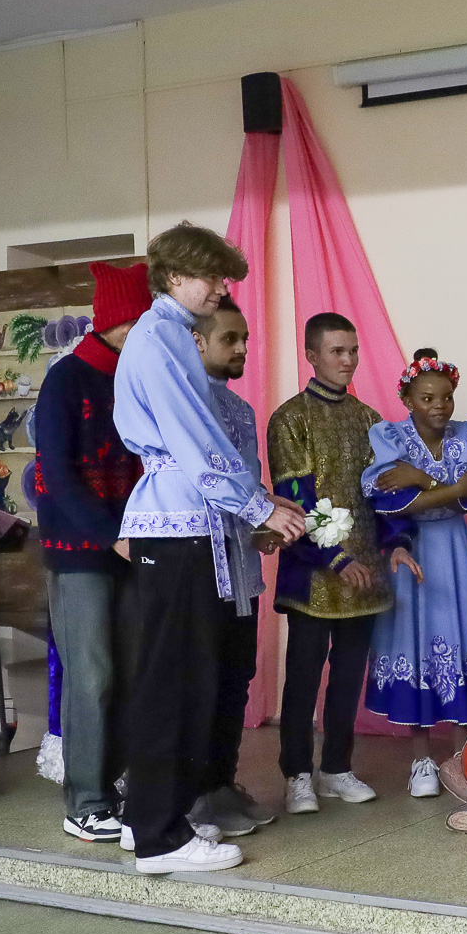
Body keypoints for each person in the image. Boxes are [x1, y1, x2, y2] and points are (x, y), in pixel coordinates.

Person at [114, 222, 307, 874]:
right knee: (172, 683)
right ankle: (160, 837)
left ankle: (151, 819)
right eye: (213, 277)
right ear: (174, 276)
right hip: (178, 523)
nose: (221, 288)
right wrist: (258, 506)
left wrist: (259, 503)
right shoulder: (160, 338)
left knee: (183, 681)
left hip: (189, 520)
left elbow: (206, 444)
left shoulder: (165, 334)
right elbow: (196, 441)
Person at [34, 260, 149, 843]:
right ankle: (84, 801)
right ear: (115, 321)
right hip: (80, 550)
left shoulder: (134, 377)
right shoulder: (66, 379)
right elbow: (56, 474)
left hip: (128, 547)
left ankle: (111, 789)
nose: (146, 330)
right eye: (139, 320)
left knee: (126, 670)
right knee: (92, 674)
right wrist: (111, 534)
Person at [268, 312, 390, 814]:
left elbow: (383, 497)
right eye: (337, 351)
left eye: (353, 350)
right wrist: (337, 559)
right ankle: (297, 774)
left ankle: (337, 768)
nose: (348, 360)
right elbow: (295, 499)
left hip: (365, 574)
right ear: (312, 356)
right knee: (303, 676)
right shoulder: (290, 419)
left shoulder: (369, 419)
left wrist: (395, 544)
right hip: (312, 573)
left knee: (348, 676)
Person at [362, 349, 467, 797]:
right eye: (427, 398)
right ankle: (421, 758)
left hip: (455, 549)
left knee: (460, 640)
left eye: (446, 397)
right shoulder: (391, 439)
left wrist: (422, 481)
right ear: (407, 400)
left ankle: (462, 753)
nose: (439, 406)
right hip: (411, 551)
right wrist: (451, 489)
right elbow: (389, 504)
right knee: (414, 643)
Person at [186, 298, 275, 837]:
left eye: (245, 338)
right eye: (229, 339)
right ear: (196, 342)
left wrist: (265, 521)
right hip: (198, 562)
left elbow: (248, 483)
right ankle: (191, 795)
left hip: (240, 567)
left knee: (235, 678)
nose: (242, 348)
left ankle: (221, 782)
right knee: (199, 680)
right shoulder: (184, 402)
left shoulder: (241, 410)